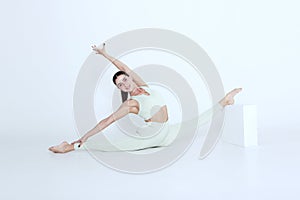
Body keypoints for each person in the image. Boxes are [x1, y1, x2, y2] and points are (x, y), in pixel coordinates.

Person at [49, 43, 242, 153]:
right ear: (120, 89)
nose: (124, 84)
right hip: (152, 136)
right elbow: (107, 121)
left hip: (168, 132)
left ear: (130, 78)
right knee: (114, 146)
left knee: (197, 120)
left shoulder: (144, 86)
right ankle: (73, 146)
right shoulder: (131, 103)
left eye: (124, 79)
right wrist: (83, 137)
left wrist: (105, 54)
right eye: (120, 85)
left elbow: (123, 67)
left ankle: (225, 101)